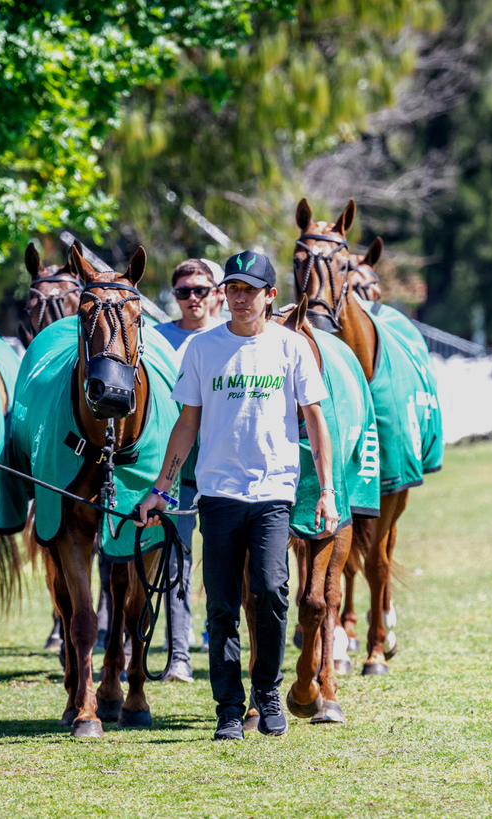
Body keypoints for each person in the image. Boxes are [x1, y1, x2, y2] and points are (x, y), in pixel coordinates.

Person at [137, 250, 337, 741]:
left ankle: (267, 693)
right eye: (233, 289)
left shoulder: (292, 348)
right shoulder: (202, 350)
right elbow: (187, 423)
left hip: (273, 492)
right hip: (219, 494)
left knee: (270, 593)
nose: (240, 298)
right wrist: (162, 488)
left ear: (271, 295)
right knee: (223, 605)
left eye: (251, 290)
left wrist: (328, 491)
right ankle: (228, 708)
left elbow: (315, 419)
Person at [153, 260, 222, 683]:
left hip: (221, 469)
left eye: (200, 289)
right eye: (183, 291)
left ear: (217, 292)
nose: (192, 298)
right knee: (176, 563)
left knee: (223, 562)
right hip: (176, 474)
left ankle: (218, 638)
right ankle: (179, 655)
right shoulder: (157, 341)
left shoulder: (232, 337)